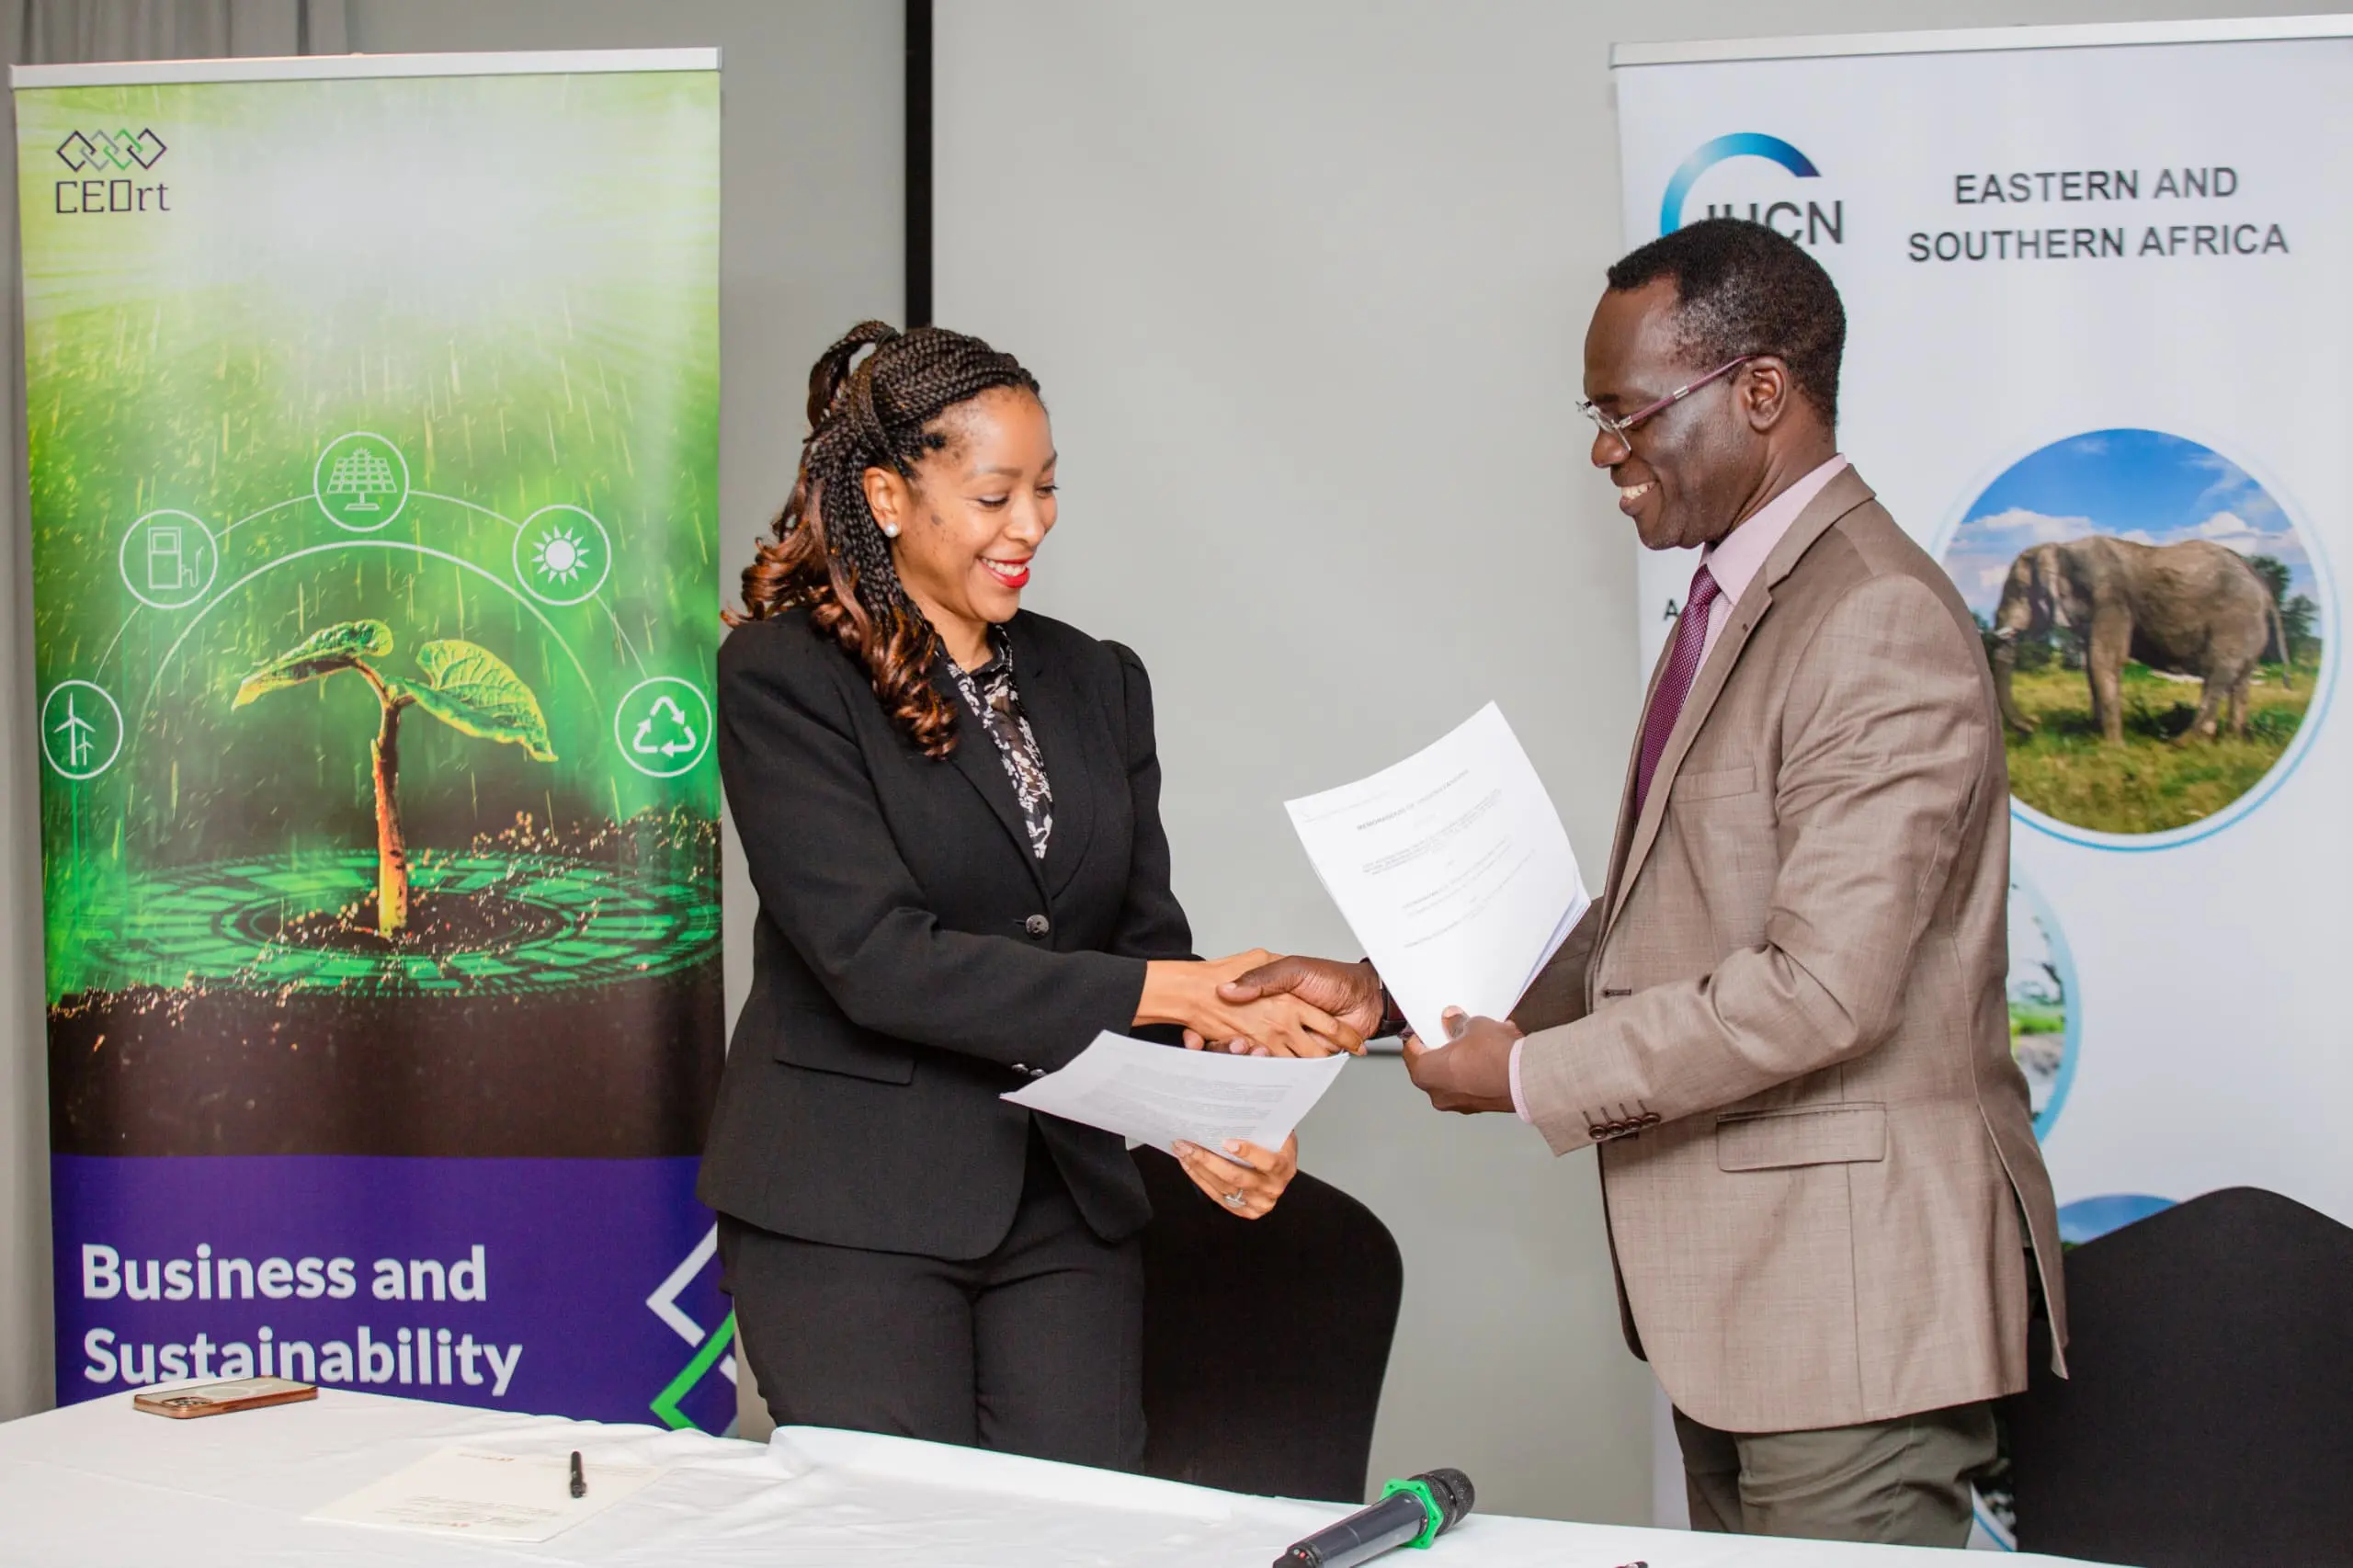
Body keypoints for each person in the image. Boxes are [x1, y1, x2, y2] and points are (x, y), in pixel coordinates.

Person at [1222, 220, 2067, 1546]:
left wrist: (1520, 1075)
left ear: (1762, 392)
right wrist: (1387, 992)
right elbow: (1650, 934)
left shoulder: (1873, 615)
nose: (1605, 452)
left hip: (1850, 1316)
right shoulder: (1740, 598)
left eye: (1628, 414)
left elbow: (1821, 990)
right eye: (1596, 416)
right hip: (1745, 1304)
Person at [700, 322, 1360, 1467]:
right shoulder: (785, 676)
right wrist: (1181, 989)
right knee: (903, 1544)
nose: (1032, 525)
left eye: (1046, 489)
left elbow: (1143, 938)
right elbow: (875, 957)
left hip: (1067, 1201)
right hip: (850, 1207)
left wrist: (1213, 1119)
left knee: (1086, 1532)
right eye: (996, 492)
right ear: (888, 495)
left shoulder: (1096, 677)